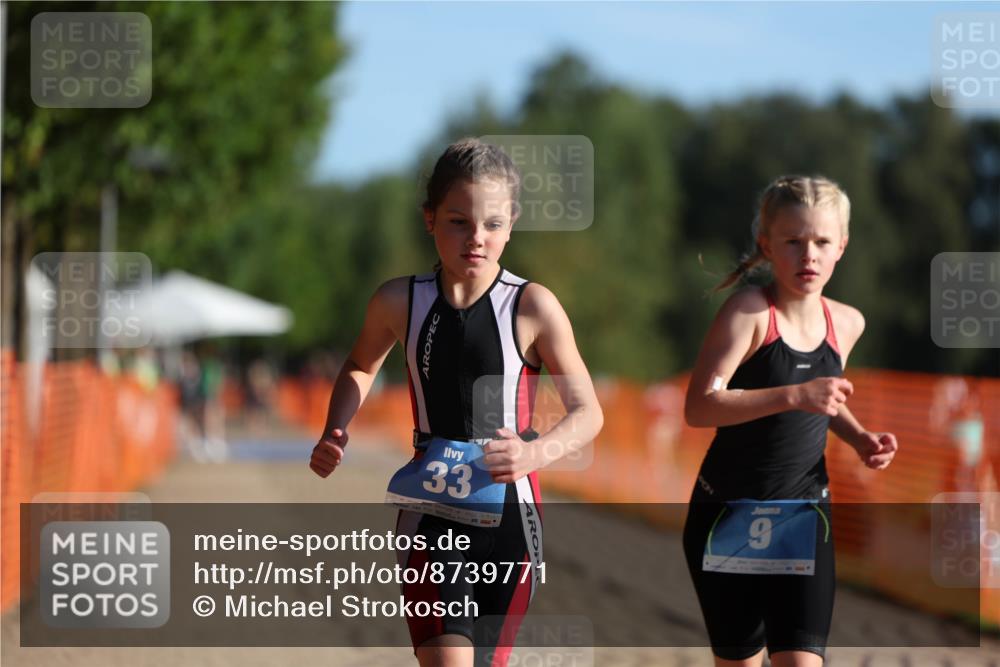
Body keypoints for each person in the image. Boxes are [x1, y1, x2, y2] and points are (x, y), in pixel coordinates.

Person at [309, 138, 603, 667]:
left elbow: (589, 412)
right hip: (431, 513)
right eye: (458, 222)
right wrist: (337, 428)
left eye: (492, 224)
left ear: (511, 223)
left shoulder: (532, 305)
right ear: (430, 220)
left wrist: (535, 454)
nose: (477, 238)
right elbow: (359, 365)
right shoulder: (400, 300)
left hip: (512, 516)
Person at [683, 175, 898, 667]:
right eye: (794, 242)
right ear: (767, 244)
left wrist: (860, 437)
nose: (809, 255)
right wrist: (794, 394)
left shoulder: (847, 322)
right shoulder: (749, 313)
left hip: (804, 516)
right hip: (727, 513)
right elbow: (700, 406)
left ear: (841, 246)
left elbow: (822, 400)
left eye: (822, 242)